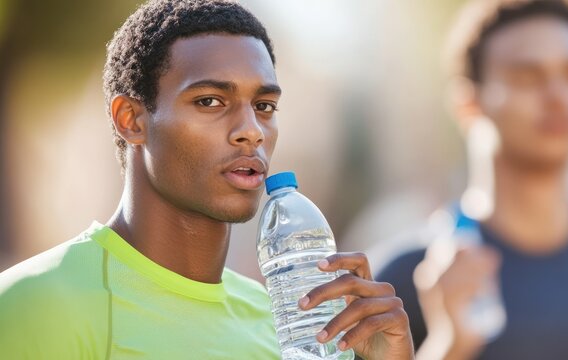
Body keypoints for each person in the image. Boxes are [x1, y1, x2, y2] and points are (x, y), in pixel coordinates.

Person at [0, 1, 413, 359]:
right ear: (131, 120)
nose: (250, 130)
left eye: (265, 106)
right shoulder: (37, 304)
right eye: (210, 101)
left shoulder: (292, 331)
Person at [377, 0, 568, 359]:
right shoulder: (399, 283)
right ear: (468, 104)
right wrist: (450, 345)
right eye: (527, 77)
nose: (559, 96)